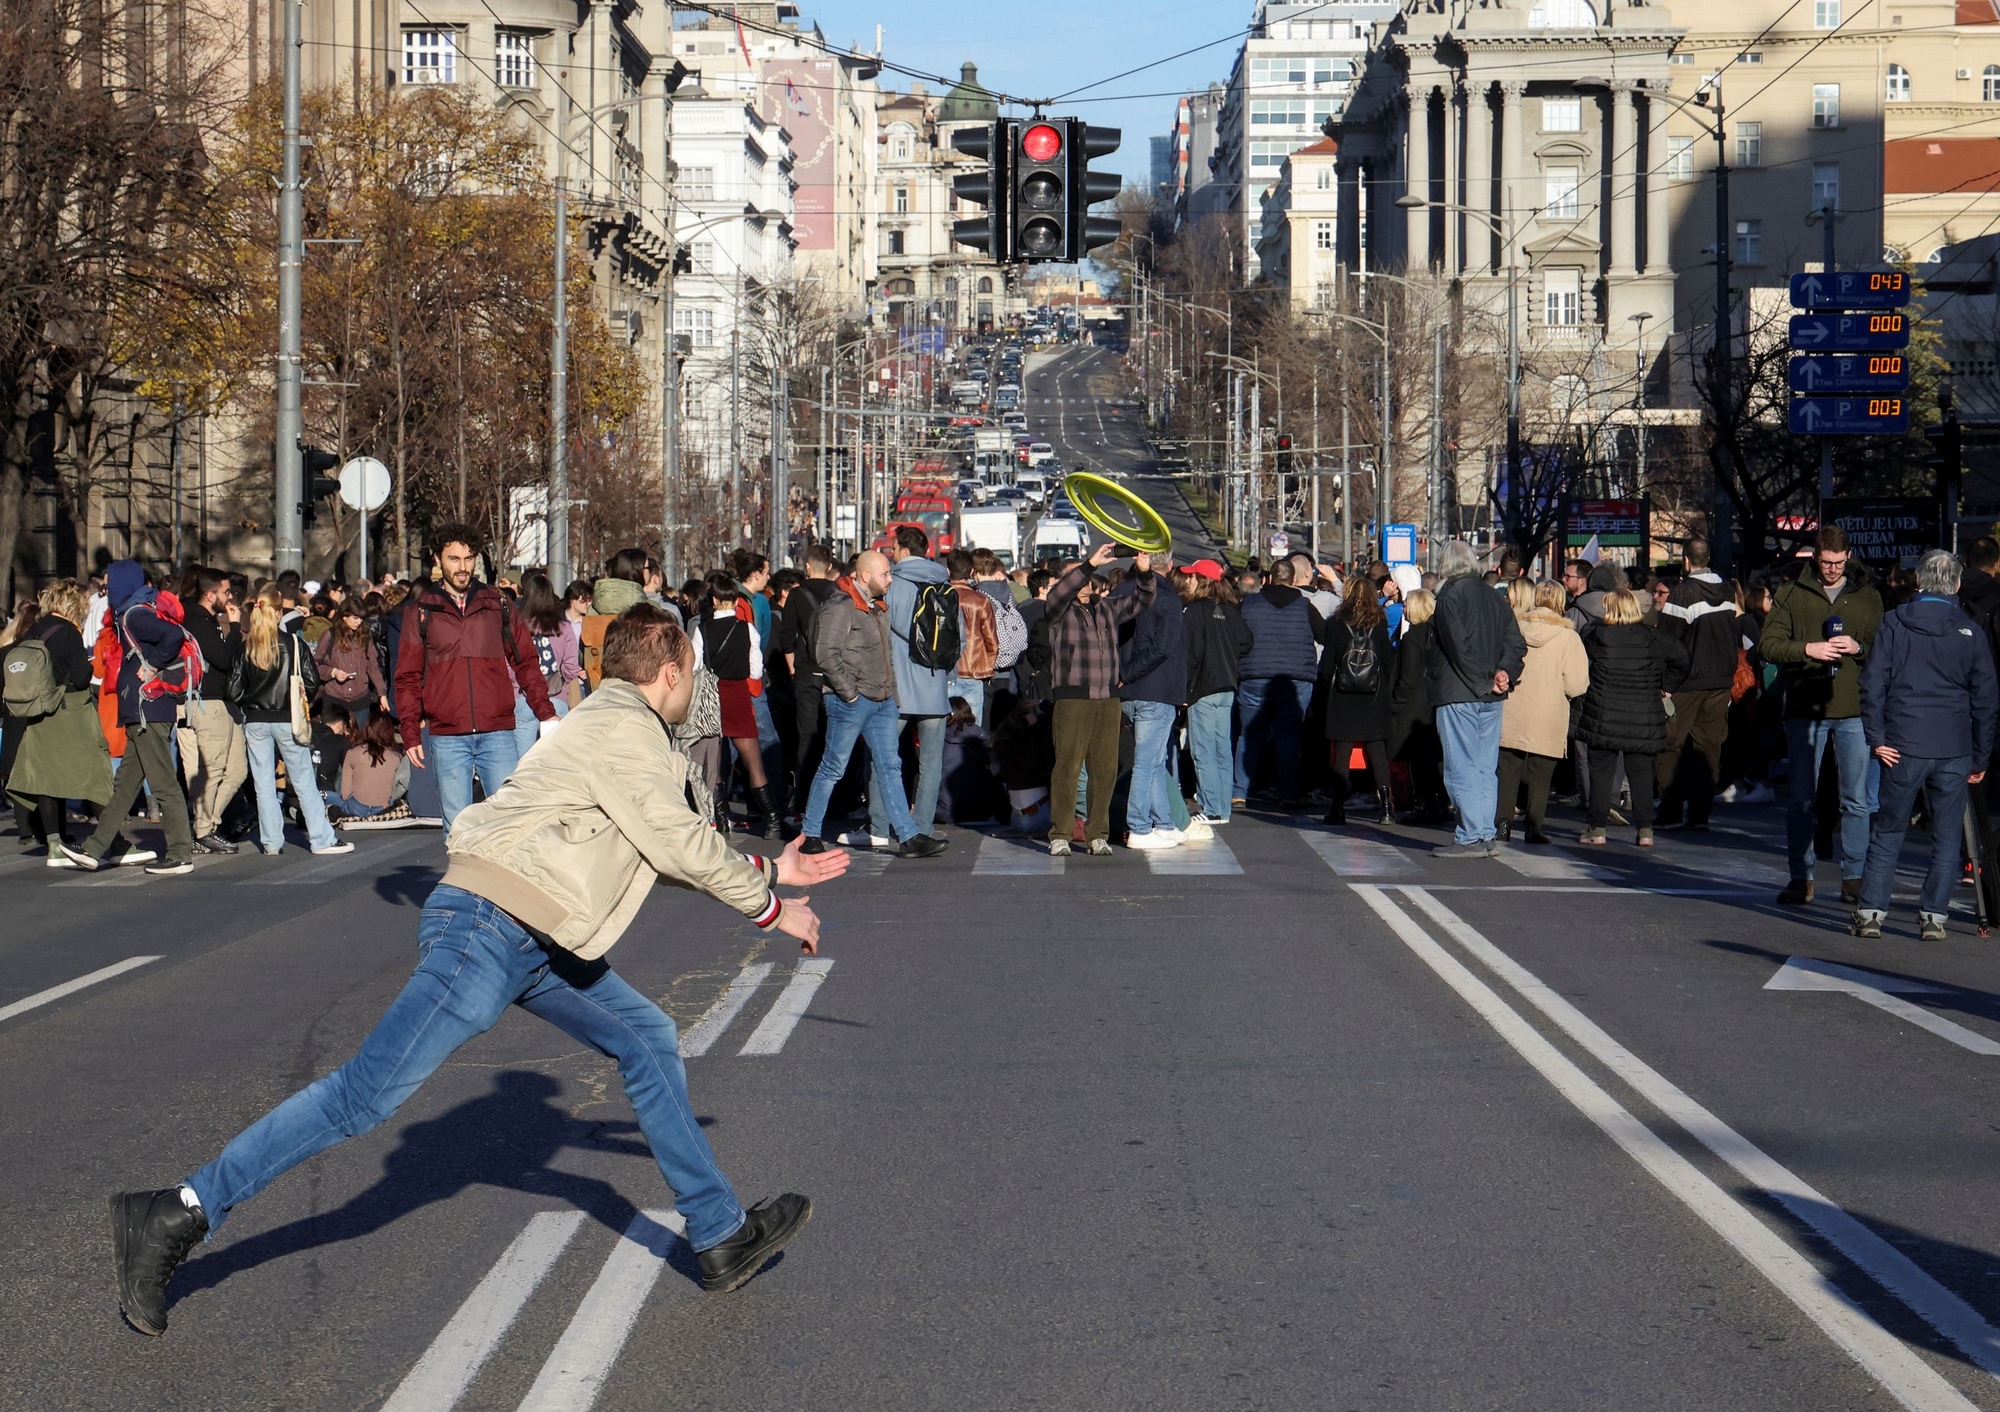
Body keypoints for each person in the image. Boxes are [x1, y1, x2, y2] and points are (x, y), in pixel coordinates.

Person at [111, 606, 848, 1337]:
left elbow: (652, 839)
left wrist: (764, 867)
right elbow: (674, 835)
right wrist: (770, 908)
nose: (696, 692)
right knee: (362, 1097)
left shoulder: (615, 724)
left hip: (534, 933)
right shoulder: (627, 726)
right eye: (692, 675)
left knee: (646, 1038)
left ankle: (718, 1234)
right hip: (491, 927)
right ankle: (179, 1210)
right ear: (669, 673)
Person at [1850, 550, 1999, 940]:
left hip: (1902, 742)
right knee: (1947, 836)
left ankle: (1870, 912)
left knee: (1889, 830)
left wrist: (1876, 737)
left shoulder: (1894, 624)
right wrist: (1981, 755)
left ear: (1917, 583)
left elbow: (1872, 683)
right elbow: (1985, 698)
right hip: (1953, 745)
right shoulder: (1970, 630)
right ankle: (1934, 916)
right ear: (1957, 585)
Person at [393, 524, 557, 838]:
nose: (463, 566)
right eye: (454, 559)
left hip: (497, 731)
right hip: (448, 733)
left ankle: (501, 888)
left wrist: (545, 712)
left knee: (506, 825)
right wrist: (410, 731)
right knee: (458, 830)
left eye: (469, 558)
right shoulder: (421, 611)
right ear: (438, 560)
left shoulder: (497, 603)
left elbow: (525, 660)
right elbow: (408, 677)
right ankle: (464, 889)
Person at [1759, 525, 1884, 905]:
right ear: (1816, 556)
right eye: (1826, 562)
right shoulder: (1792, 592)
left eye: (1838, 563)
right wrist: (1807, 648)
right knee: (1800, 799)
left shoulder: (1867, 596)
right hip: (1804, 709)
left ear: (1849, 557)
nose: (1832, 569)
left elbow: (1884, 649)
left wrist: (1859, 646)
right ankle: (1801, 877)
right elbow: (1768, 645)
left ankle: (1855, 878)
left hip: (1852, 708)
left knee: (1857, 800)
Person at [797, 551, 947, 858]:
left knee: (891, 767)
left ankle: (908, 837)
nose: (890, 580)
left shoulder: (876, 606)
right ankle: (809, 833)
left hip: (881, 701)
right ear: (865, 576)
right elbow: (826, 653)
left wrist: (891, 694)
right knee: (833, 767)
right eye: (885, 575)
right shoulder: (841, 606)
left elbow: (886, 654)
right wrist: (849, 693)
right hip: (851, 702)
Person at [60, 560, 196, 874]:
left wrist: (152, 665)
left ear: (122, 581)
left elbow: (172, 636)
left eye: (109, 580)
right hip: (142, 709)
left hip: (149, 709)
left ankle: (180, 854)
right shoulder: (131, 612)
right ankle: (94, 849)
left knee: (163, 784)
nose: (105, 586)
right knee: (124, 787)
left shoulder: (135, 615)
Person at [1043, 543, 1157, 856]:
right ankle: (1061, 833)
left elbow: (1142, 600)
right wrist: (1089, 564)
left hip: (1108, 698)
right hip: (1073, 697)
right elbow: (1058, 594)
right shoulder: (1060, 611)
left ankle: (1097, 834)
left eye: (1085, 580)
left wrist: (1145, 572)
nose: (1082, 585)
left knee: (1105, 769)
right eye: (1076, 580)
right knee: (1067, 767)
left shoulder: (1105, 607)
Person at [227, 587, 352, 857]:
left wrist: (250, 701)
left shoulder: (247, 646)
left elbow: (233, 690)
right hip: (288, 717)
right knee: (304, 780)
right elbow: (311, 681)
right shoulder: (293, 644)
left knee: (263, 784)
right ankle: (320, 838)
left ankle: (271, 841)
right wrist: (298, 699)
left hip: (256, 721)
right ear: (279, 612)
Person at [1427, 541, 1527, 858]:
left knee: (1461, 766)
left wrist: (1488, 679)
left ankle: (1471, 835)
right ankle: (1484, 831)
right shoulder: (1493, 596)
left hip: (1461, 690)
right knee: (1484, 766)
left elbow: (1457, 648)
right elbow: (1517, 643)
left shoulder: (1448, 596)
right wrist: (1505, 672)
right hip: (1491, 693)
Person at [5, 580, 111, 863]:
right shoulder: (68, 633)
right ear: (74, 605)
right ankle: (111, 840)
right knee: (95, 772)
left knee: (46, 781)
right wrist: (87, 664)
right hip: (66, 713)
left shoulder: (36, 630)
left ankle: (53, 845)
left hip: (36, 713)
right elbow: (79, 677)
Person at [1575, 589, 1688, 846]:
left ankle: (1597, 828)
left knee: (1601, 772)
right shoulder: (1653, 637)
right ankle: (1645, 829)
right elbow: (1682, 659)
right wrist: (1666, 685)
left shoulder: (1595, 634)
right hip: (1643, 713)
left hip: (1603, 711)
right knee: (1640, 772)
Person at [1652, 539, 1739, 831]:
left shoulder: (1682, 593)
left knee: (1670, 743)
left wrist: (1664, 680)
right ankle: (1701, 814)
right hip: (1720, 681)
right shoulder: (1728, 591)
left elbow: (1667, 640)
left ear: (1686, 562)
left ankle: (1671, 809)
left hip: (1686, 681)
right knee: (1708, 748)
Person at [1498, 579, 1589, 845]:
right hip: (1548, 713)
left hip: (1511, 708)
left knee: (1508, 768)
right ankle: (1534, 825)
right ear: (1560, 602)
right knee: (1541, 772)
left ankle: (1502, 822)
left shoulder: (1514, 627)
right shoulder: (1568, 637)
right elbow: (1576, 684)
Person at [692, 572, 781, 839]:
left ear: (714, 599)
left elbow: (696, 667)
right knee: (754, 764)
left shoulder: (702, 629)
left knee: (716, 766)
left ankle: (721, 822)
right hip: (739, 697)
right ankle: (773, 822)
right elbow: (755, 670)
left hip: (712, 697)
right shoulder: (747, 629)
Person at [1233, 557, 1325, 809]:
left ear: (1269, 579)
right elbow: (1324, 634)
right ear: (1294, 580)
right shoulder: (1305, 606)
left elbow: (1236, 636)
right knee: (1289, 737)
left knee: (1249, 734)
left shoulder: (1249, 603)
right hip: (1296, 679)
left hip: (1255, 675)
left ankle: (1239, 791)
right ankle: (1287, 791)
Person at [883, 525, 955, 841]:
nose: (892, 554)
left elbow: (883, 633)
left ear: (904, 551)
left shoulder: (893, 585)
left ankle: (880, 824)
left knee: (883, 759)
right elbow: (958, 638)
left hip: (898, 689)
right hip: (934, 688)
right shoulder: (943, 584)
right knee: (930, 764)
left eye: (894, 548)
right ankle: (923, 826)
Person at [1112, 546, 1187, 849]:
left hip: (1126, 691)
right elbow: (1163, 648)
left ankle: (1165, 824)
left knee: (1154, 761)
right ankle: (1140, 827)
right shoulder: (1166, 597)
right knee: (1147, 762)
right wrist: (1127, 673)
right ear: (1168, 564)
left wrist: (1119, 675)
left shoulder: (1119, 590)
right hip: (1153, 689)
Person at [176, 567, 249, 855]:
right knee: (213, 770)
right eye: (225, 592)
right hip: (207, 703)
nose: (230, 597)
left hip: (214, 703)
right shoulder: (197, 621)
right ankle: (204, 830)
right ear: (210, 595)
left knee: (236, 769)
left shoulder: (204, 618)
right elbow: (223, 658)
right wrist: (233, 626)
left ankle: (205, 825)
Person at [1179, 560, 1253, 830]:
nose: (1188, 581)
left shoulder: (1195, 610)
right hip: (1227, 686)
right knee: (1222, 749)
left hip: (1203, 688)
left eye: (1192, 577)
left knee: (1203, 751)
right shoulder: (1231, 610)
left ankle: (1210, 808)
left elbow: (1190, 654)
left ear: (1203, 580)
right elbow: (1247, 641)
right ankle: (1221, 808)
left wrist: (1184, 689)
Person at [1321, 574, 1398, 826]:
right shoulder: (1379, 622)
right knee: (1377, 750)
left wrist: (1327, 687)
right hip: (1373, 696)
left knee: (1342, 752)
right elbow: (1387, 661)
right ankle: (1386, 808)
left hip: (1343, 696)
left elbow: (1327, 665)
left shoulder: (1335, 624)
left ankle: (1337, 808)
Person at [777, 545, 841, 822]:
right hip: (836, 675)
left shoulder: (796, 595)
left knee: (807, 735)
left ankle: (803, 798)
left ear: (806, 567)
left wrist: (793, 667)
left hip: (806, 673)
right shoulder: (840, 594)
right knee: (835, 737)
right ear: (829, 567)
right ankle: (837, 799)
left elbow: (786, 636)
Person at [945, 549, 1001, 729]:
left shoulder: (939, 597)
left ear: (948, 571)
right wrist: (988, 665)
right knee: (972, 727)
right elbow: (991, 641)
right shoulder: (980, 601)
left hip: (945, 671)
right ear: (971, 572)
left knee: (944, 726)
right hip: (973, 670)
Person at [324, 709, 411, 821]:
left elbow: (345, 794)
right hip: (384, 809)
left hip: (355, 808)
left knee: (327, 795)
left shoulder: (353, 752)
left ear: (367, 729)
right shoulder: (396, 757)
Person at [315, 598, 389, 726]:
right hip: (335, 700)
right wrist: (332, 672)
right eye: (355, 618)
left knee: (358, 741)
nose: (359, 622)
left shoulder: (365, 636)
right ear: (345, 616)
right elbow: (315, 664)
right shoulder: (329, 635)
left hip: (360, 701)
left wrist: (382, 693)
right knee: (335, 740)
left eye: (361, 618)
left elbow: (373, 667)